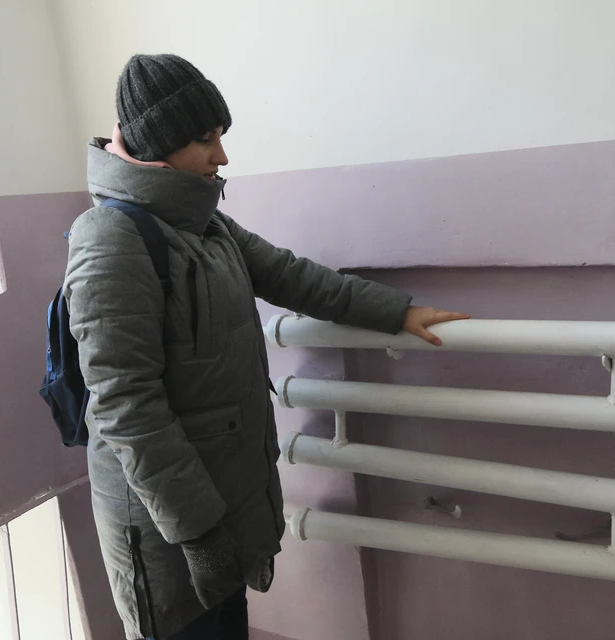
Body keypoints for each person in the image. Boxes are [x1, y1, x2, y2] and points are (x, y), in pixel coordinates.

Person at [63, 53, 468, 640]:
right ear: (160, 144)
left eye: (221, 136)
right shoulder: (111, 240)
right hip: (166, 530)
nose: (222, 156)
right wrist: (200, 536)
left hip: (220, 508)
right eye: (205, 140)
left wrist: (396, 312)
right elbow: (126, 407)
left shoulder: (201, 223)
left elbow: (289, 275)